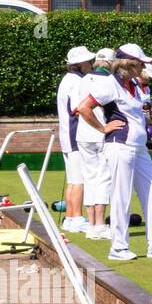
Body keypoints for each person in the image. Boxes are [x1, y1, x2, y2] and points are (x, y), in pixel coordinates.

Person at [74, 44, 152, 262]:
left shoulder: (134, 84)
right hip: (119, 146)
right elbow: (83, 107)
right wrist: (103, 128)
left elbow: (135, 115)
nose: (144, 67)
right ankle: (118, 247)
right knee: (121, 195)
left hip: (139, 147)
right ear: (127, 65)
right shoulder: (109, 84)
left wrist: (147, 129)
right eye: (140, 63)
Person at [71, 47, 116, 241]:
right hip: (100, 134)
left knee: (90, 178)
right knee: (103, 179)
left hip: (83, 134)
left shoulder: (82, 81)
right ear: (112, 63)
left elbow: (76, 109)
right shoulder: (110, 81)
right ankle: (99, 225)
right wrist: (102, 128)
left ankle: (91, 225)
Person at [56, 47, 96, 233]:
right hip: (75, 135)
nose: (91, 64)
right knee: (79, 179)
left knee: (73, 179)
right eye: (89, 61)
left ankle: (71, 218)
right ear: (79, 64)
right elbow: (78, 109)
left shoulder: (67, 79)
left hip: (67, 135)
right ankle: (77, 217)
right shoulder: (77, 82)